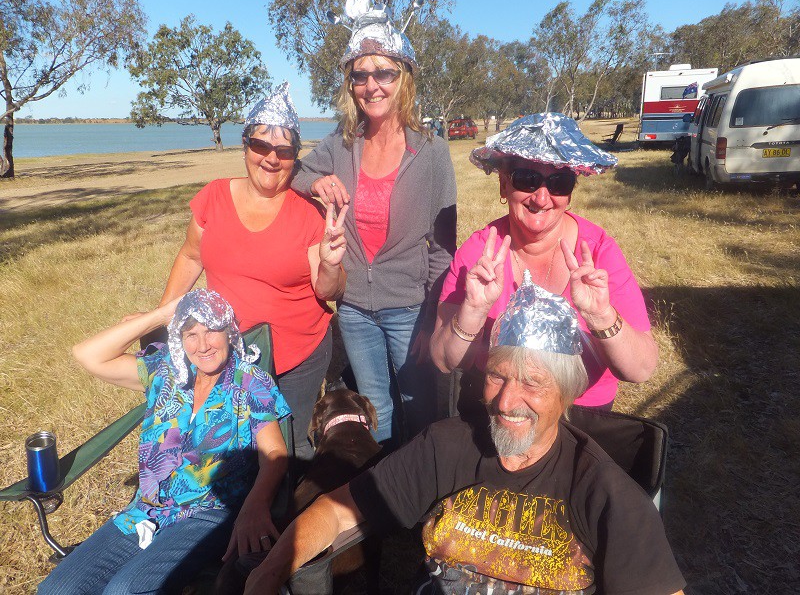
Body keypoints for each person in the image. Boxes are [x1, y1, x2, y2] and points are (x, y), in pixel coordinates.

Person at [242, 276, 686, 594]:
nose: (507, 401)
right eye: (497, 376)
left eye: (533, 383)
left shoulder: (602, 489)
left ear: (567, 392)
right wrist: (267, 575)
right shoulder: (448, 446)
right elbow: (338, 511)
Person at [38, 290, 291, 594]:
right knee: (56, 588)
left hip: (208, 513)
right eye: (191, 334)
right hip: (144, 510)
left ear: (229, 332)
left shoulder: (249, 381)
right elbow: (86, 354)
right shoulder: (165, 370)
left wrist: (255, 504)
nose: (203, 345)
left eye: (211, 331)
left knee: (124, 590)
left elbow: (274, 453)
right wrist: (160, 315)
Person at [291, 0, 457, 444]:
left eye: (384, 72)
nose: (372, 85)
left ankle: (422, 480)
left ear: (403, 78)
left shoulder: (431, 152)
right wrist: (317, 182)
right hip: (354, 308)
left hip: (410, 307)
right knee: (375, 407)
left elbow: (444, 248)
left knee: (418, 407)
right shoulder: (342, 144)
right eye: (360, 75)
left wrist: (432, 319)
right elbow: (294, 172)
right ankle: (383, 480)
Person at [159, 82, 348, 463]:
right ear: (245, 146)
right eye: (261, 146)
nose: (271, 159)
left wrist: (330, 263)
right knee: (236, 441)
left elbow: (330, 291)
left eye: (284, 151)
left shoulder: (309, 213)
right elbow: (191, 257)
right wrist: (164, 320)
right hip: (228, 350)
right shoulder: (213, 197)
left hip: (297, 356)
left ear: (295, 158)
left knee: (289, 446)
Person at [430, 112, 657, 412]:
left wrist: (601, 316)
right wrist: (473, 311)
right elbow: (443, 360)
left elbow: (641, 370)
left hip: (579, 412)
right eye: (527, 179)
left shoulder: (599, 252)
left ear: (570, 192)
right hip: (500, 405)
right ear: (504, 185)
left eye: (559, 182)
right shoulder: (479, 253)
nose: (541, 198)